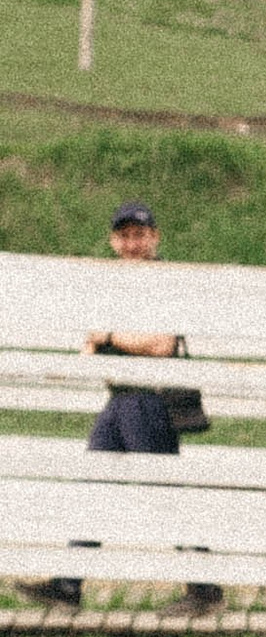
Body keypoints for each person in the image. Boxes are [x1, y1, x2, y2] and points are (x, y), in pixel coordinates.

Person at [40, 199, 220, 610]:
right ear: (112, 241)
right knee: (94, 487)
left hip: (149, 399)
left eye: (139, 235)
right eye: (124, 236)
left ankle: (206, 586)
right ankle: (68, 584)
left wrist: (110, 336)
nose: (132, 243)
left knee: (162, 493)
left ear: (154, 238)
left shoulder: (164, 282)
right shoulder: (111, 286)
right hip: (121, 398)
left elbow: (160, 344)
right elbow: (91, 342)